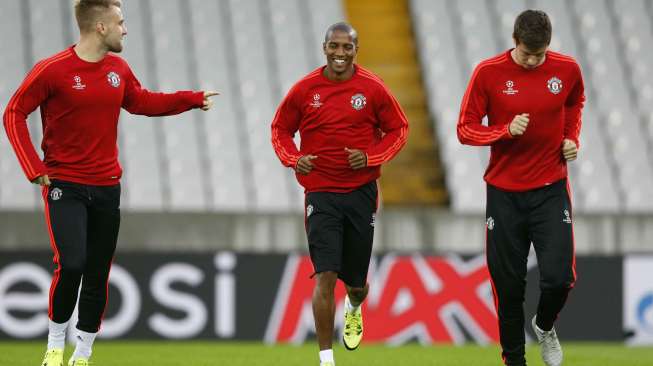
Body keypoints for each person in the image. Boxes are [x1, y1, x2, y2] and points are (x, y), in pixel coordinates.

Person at [2, 1, 218, 365]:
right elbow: (13, 113)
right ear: (100, 27)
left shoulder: (118, 68)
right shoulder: (52, 70)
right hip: (64, 184)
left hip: (107, 187)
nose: (125, 29)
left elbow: (142, 101)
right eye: (120, 22)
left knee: (98, 271)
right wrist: (31, 165)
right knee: (72, 264)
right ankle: (55, 345)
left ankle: (83, 353)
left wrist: (191, 99)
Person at [271, 22, 408, 366]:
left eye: (347, 47)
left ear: (356, 51)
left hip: (361, 192)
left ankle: (355, 305)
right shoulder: (305, 90)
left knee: (356, 283)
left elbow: (399, 129)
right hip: (320, 194)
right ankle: (326, 358)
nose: (340, 53)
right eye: (335, 46)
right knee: (325, 275)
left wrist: (372, 157)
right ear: (324, 48)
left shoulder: (372, 88)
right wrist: (294, 159)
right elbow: (280, 129)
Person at [457, 9, 584, 366]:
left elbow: (574, 102)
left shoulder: (567, 70)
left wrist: (570, 138)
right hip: (504, 194)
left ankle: (544, 326)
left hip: (550, 188)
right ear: (515, 41)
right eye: (527, 54)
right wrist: (503, 130)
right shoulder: (489, 73)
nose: (532, 61)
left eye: (539, 55)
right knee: (508, 287)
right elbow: (465, 129)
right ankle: (514, 361)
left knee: (559, 279)